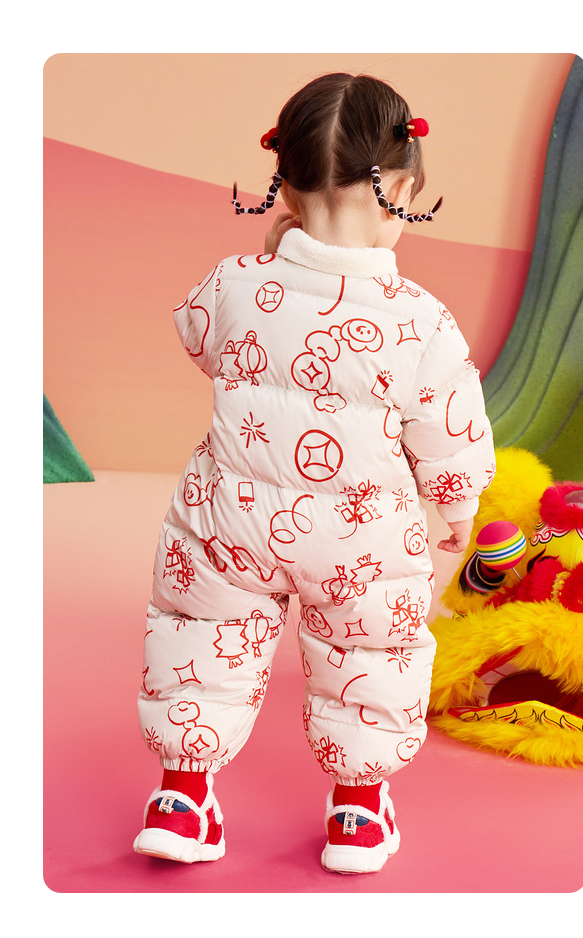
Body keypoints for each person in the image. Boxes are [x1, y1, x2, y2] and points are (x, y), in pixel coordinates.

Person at [133, 72, 496, 874]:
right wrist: (459, 508)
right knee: (370, 658)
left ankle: (181, 799)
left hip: (230, 519)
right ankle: (358, 812)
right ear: (402, 189)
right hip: (359, 538)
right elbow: (452, 431)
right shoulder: (422, 321)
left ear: (285, 184)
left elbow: (199, 339)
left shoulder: (233, 282)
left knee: (201, 638)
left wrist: (272, 280)